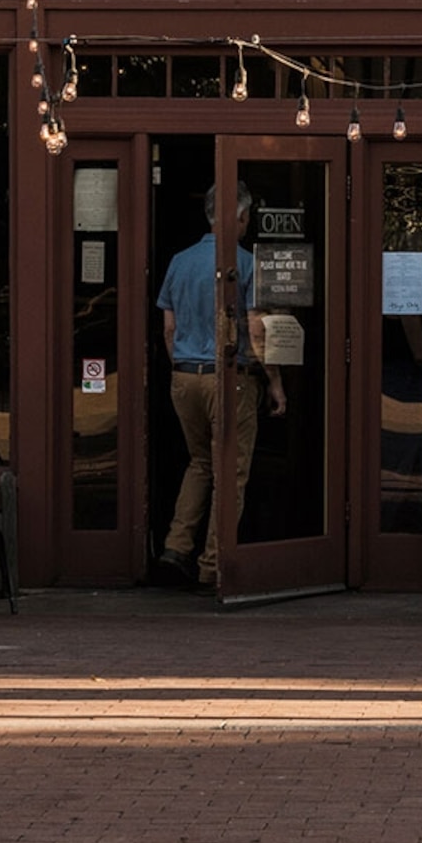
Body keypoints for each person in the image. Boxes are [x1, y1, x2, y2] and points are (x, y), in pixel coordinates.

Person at [155, 186, 284, 590]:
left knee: (200, 463)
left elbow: (169, 328)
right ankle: (213, 565)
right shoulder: (244, 264)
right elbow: (257, 331)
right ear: (240, 219)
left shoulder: (179, 261)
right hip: (229, 380)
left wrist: (181, 366)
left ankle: (175, 548)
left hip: (184, 376)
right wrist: (276, 384)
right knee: (232, 471)